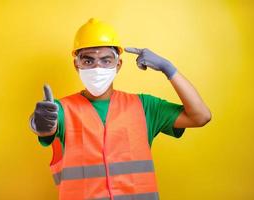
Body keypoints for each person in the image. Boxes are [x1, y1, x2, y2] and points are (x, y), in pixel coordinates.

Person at [29, 18, 211, 200]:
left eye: (106, 60)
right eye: (88, 61)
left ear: (118, 65)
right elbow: (44, 127)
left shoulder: (144, 106)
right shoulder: (60, 110)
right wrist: (38, 123)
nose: (97, 67)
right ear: (77, 65)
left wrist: (169, 70)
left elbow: (201, 116)